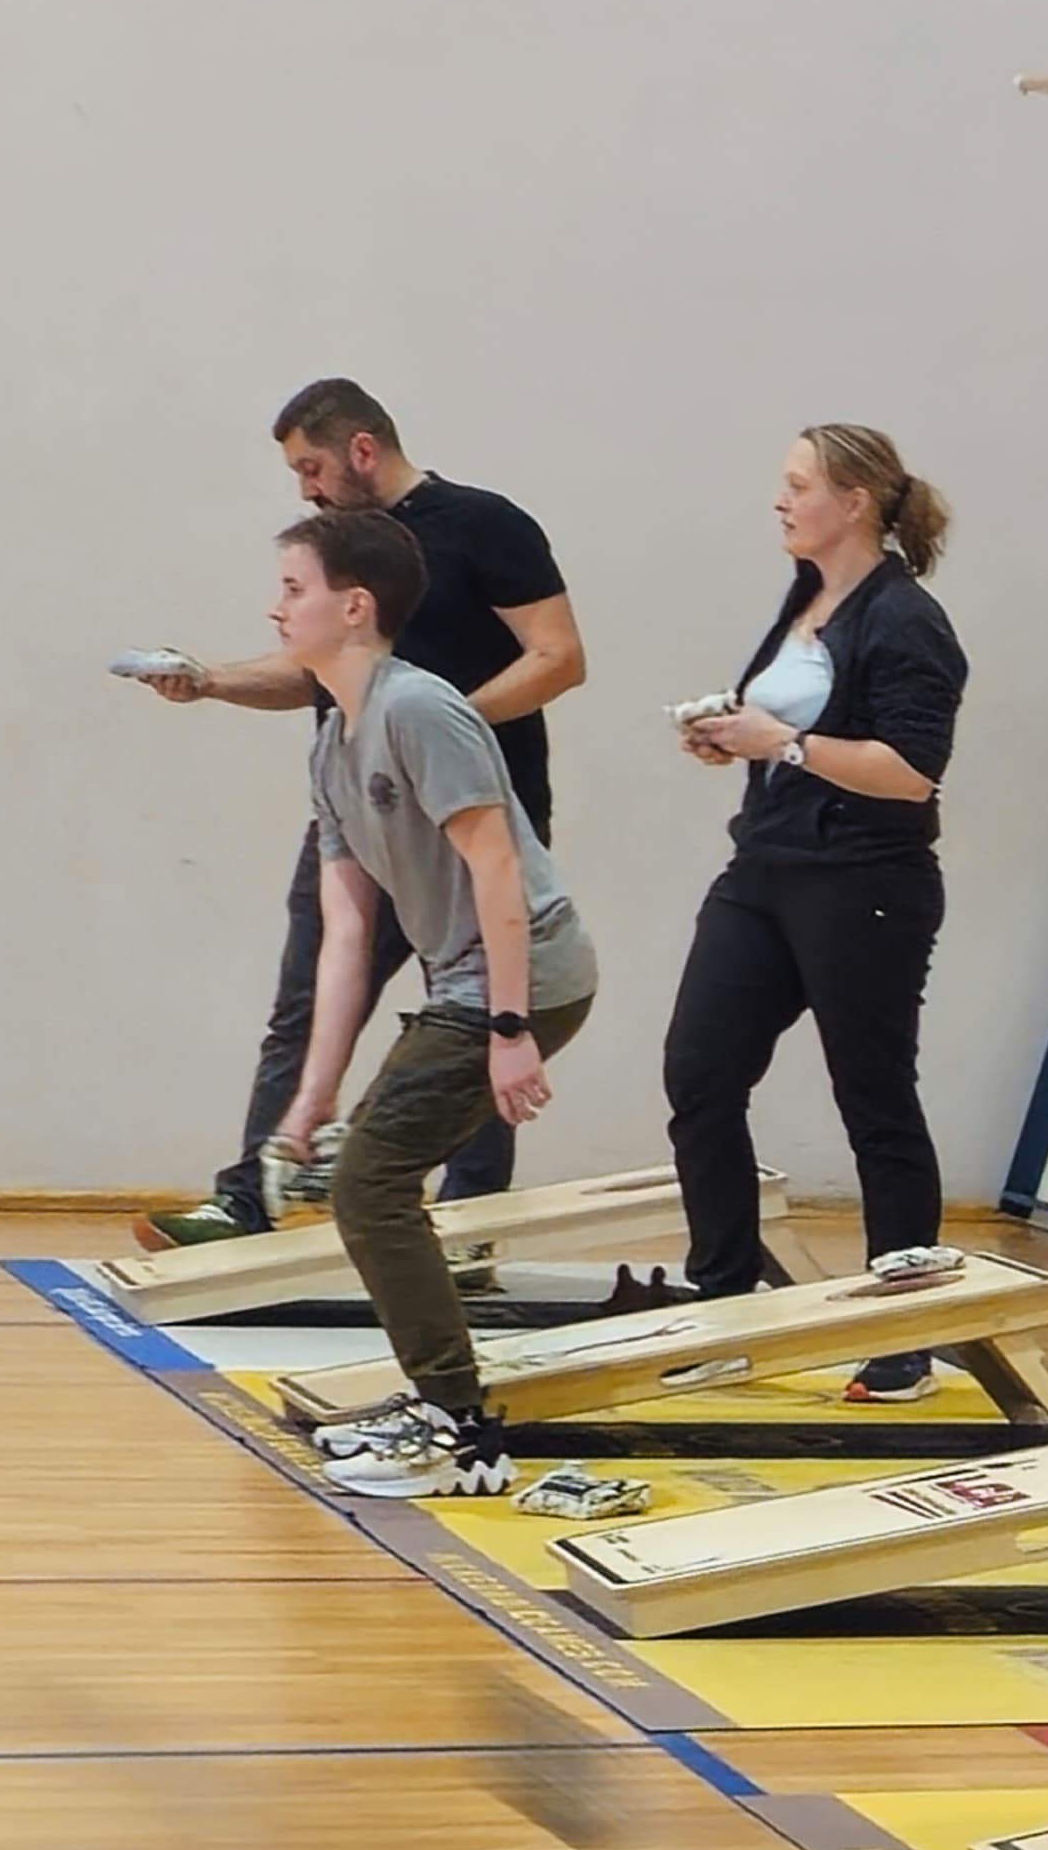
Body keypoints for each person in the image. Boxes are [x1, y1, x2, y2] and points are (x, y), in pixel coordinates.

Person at [133, 381, 582, 1245]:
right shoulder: (339, 560)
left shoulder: (486, 525)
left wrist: (430, 736)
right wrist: (212, 680)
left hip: (468, 819)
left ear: (363, 450)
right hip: (363, 816)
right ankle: (252, 1197)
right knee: (305, 997)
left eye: (311, 465)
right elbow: (309, 670)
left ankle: (469, 1221)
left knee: (475, 1014)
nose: (304, 486)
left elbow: (560, 656)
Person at [263, 508, 600, 1502]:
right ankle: (443, 1403)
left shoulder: (423, 710)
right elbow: (350, 939)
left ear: (354, 605)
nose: (275, 607)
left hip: (524, 973)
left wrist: (508, 1029)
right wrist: (307, 1100)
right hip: (467, 984)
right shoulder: (333, 746)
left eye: (293, 588)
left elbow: (496, 868)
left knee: (369, 1185)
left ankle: (463, 1430)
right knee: (366, 1177)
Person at [663, 423, 968, 1404]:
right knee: (700, 1070)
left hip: (864, 882)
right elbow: (791, 728)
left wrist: (784, 743)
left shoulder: (908, 620)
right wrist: (738, 743)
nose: (780, 500)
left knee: (873, 1097)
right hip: (767, 869)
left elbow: (912, 771)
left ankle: (904, 1331)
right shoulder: (806, 595)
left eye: (798, 485)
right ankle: (722, 1301)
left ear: (856, 502)